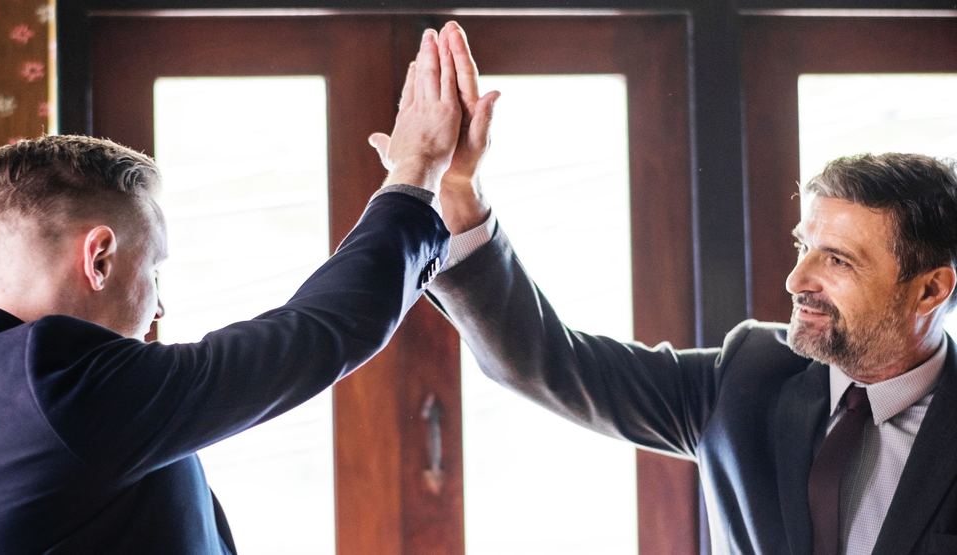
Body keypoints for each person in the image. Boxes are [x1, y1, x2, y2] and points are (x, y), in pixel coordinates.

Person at [379, 21, 957, 555]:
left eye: (838, 261)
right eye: (803, 246)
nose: (797, 280)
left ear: (930, 291)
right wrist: (457, 194)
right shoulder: (747, 377)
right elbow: (546, 363)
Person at [0, 28, 461, 554]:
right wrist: (418, 167)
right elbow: (318, 333)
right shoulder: (62, 390)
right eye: (153, 271)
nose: (159, 306)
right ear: (99, 259)